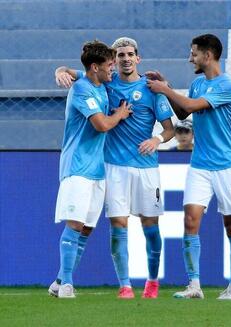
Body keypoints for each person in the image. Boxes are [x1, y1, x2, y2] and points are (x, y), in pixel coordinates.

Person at [54, 37, 175, 299]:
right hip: (113, 167)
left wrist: (156, 139)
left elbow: (170, 129)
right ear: (113, 61)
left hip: (146, 168)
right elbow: (80, 73)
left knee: (150, 226)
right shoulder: (107, 84)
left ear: (138, 58)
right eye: (119, 56)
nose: (125, 59)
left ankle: (152, 282)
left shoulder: (152, 88)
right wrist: (61, 71)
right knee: (117, 225)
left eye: (130, 54)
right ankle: (125, 286)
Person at [147, 34, 231, 300]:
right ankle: (194, 286)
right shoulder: (197, 83)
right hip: (200, 164)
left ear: (208, 55)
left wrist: (165, 89)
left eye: (193, 53)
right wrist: (167, 88)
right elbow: (184, 113)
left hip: (228, 166)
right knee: (190, 221)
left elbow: (193, 105)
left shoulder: (227, 85)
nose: (190, 58)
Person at [49, 41, 132, 298]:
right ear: (96, 67)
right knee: (74, 225)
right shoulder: (83, 89)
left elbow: (73, 69)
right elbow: (102, 125)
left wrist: (62, 68)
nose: (113, 69)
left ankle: (59, 281)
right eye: (110, 65)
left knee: (86, 228)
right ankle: (67, 285)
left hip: (96, 170)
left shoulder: (97, 80)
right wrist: (120, 114)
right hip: (77, 168)